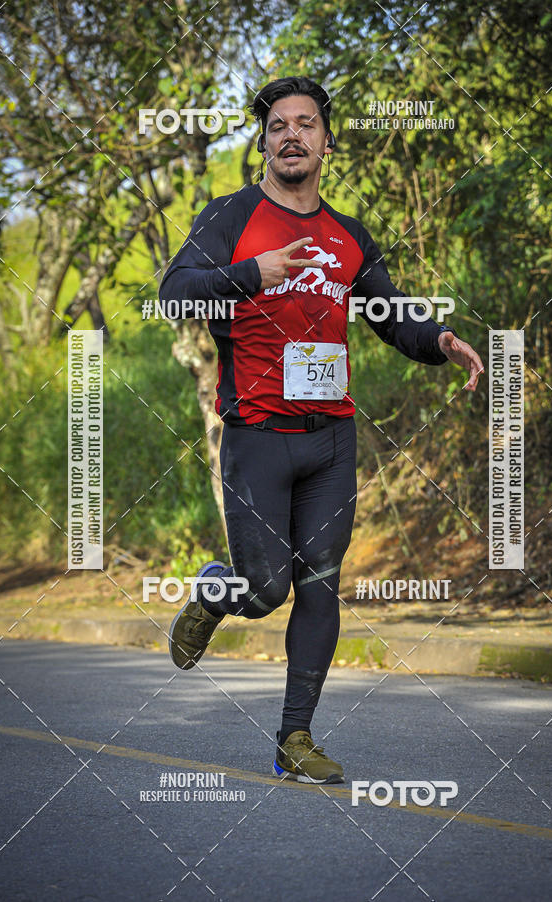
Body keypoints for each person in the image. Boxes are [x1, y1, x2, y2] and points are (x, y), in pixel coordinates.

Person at [158, 76, 484, 784]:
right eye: (278, 126)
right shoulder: (232, 217)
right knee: (265, 590)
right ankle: (216, 592)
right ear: (264, 144)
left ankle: (295, 738)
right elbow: (173, 293)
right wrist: (252, 273)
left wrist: (440, 341)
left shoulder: (349, 236)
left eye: (305, 124)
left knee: (321, 584)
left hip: (332, 437)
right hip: (257, 432)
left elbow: (390, 313)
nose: (292, 135)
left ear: (326, 143)